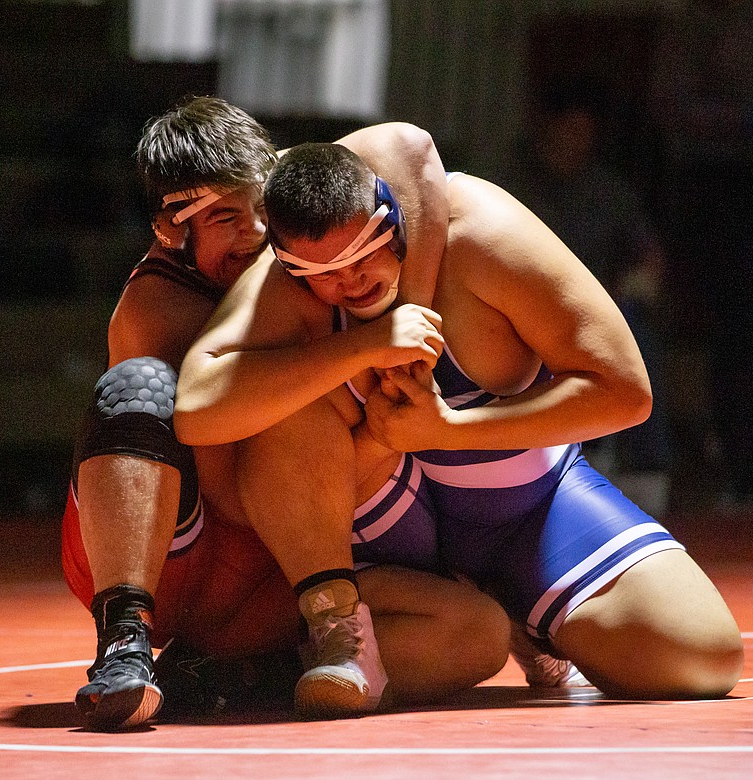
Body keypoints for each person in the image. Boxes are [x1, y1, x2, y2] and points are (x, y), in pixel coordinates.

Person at [176, 141, 745, 700]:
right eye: (324, 272)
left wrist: (447, 428)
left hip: (527, 506)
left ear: (393, 214)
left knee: (701, 656)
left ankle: (528, 607)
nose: (349, 281)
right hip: (380, 538)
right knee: (278, 410)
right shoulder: (293, 269)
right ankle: (325, 637)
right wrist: (362, 352)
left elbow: (626, 392)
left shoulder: (479, 232)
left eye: (365, 251)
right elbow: (196, 410)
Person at [61, 96, 509, 730]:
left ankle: (242, 674)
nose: (250, 236)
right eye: (221, 218)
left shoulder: (307, 254)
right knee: (139, 386)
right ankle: (124, 640)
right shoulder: (158, 309)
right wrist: (367, 352)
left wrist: (409, 321)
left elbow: (408, 146)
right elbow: (235, 498)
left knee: (476, 631)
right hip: (182, 547)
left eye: (256, 211)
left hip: (280, 544)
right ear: (169, 230)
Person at [647, 0, 753, 509]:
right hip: (715, 185)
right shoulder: (696, 22)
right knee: (738, 318)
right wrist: (746, 121)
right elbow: (669, 106)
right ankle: (742, 461)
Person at [499, 78, 674, 516]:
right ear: (543, 130)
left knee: (637, 334)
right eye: (563, 132)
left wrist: (634, 287)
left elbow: (649, 255)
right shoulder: (505, 184)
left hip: (593, 315)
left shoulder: (609, 192)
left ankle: (645, 473)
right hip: (515, 317)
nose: (571, 143)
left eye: (581, 133)